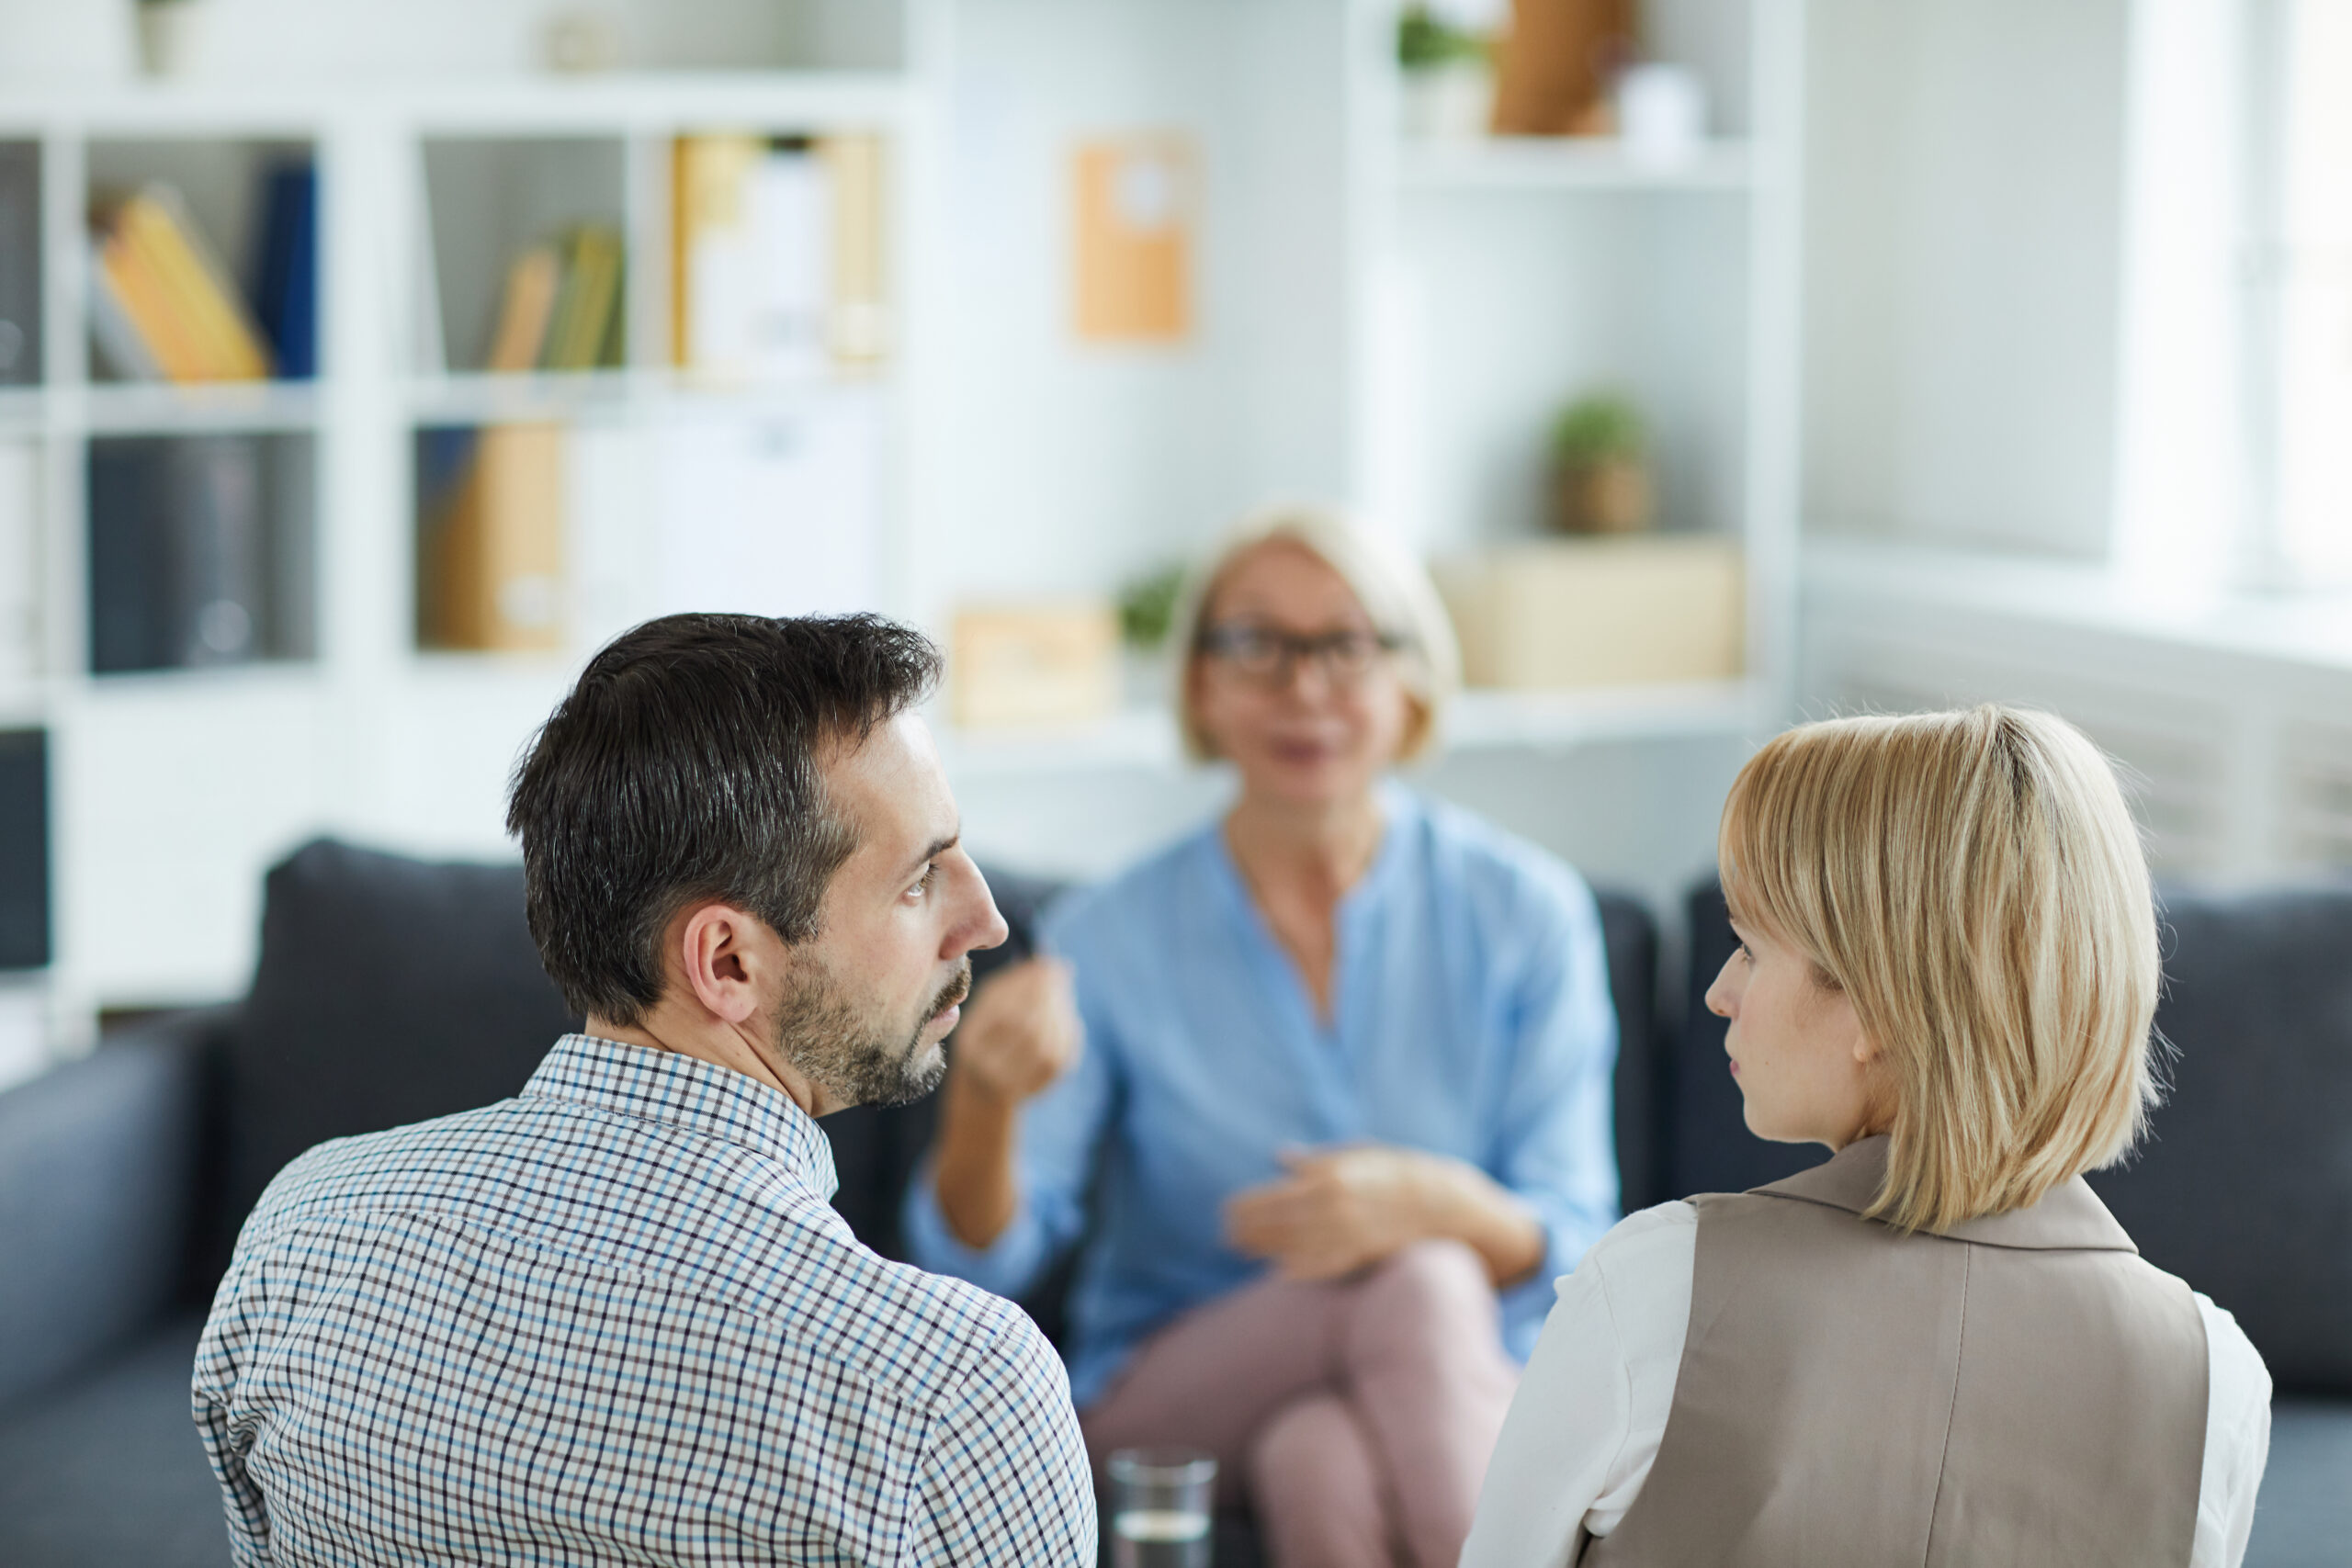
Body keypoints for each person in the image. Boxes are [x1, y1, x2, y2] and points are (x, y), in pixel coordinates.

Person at [192, 613, 1096, 1566]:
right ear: (728, 961)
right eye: (920, 880)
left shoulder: (300, 1231)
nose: (987, 921)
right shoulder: (951, 1391)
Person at [902, 512, 1621, 1568]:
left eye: (1345, 644)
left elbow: (1578, 1252)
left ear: (1411, 682)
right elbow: (980, 1267)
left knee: (1316, 1457)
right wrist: (984, 1103)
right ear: (1199, 685)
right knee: (1420, 1282)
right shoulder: (1108, 938)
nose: (1302, 687)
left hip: (1440, 1389)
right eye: (1254, 645)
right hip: (1168, 1393)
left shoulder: (1526, 914)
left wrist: (1440, 1205)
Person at [1463, 705, 2273, 1568]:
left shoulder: (1656, 1291)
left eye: (1748, 948)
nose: (1719, 993)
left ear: (1875, 1003)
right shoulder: (2214, 1378)